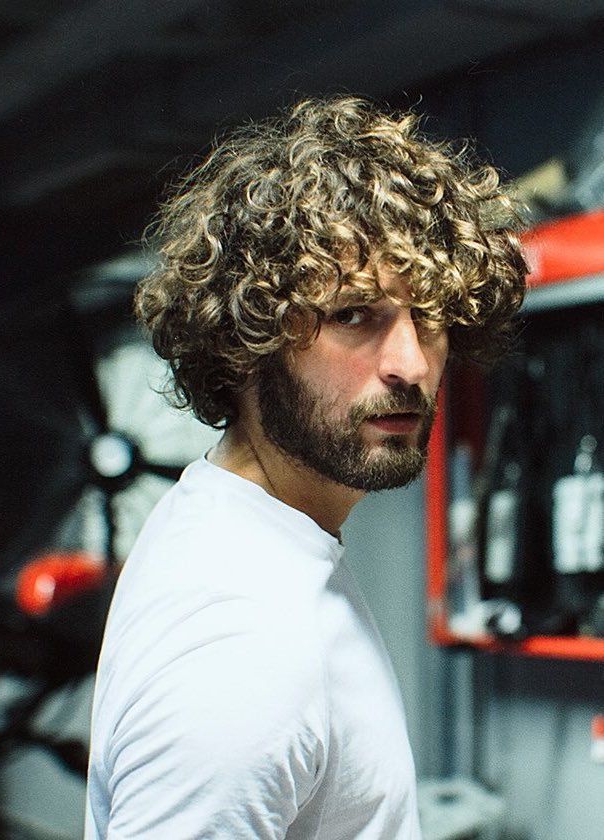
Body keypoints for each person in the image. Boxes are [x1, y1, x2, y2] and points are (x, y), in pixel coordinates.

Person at [85, 96, 526, 839]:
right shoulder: (238, 642)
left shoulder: (246, 537)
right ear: (244, 341)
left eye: (428, 317)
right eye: (354, 315)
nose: (412, 364)